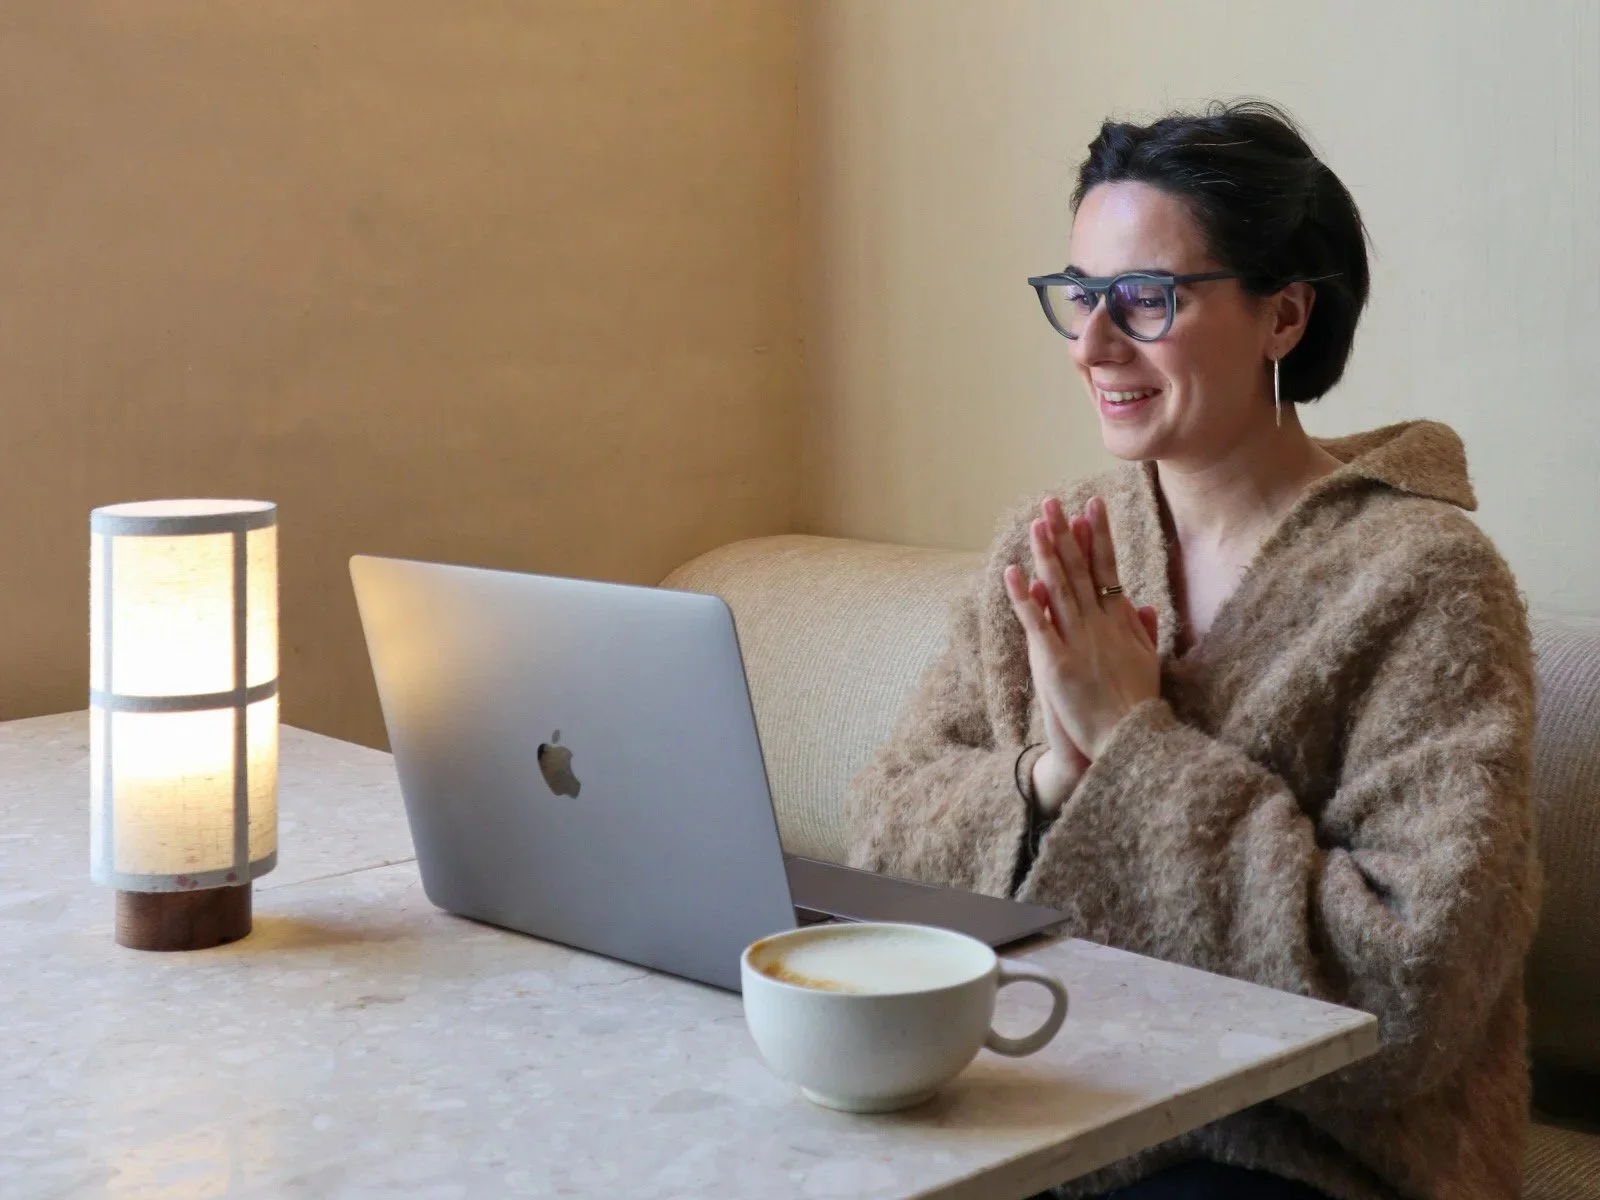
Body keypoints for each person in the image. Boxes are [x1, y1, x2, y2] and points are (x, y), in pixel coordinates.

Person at [846, 101, 1539, 1200]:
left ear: (1283, 317)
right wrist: (1049, 776)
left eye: (1146, 299)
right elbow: (884, 841)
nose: (1091, 344)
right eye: (1078, 296)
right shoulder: (1051, 544)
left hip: (1290, 1154)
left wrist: (1130, 741)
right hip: (1037, 1101)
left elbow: (1413, 985)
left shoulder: (1424, 579)